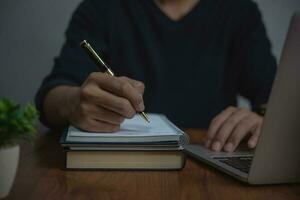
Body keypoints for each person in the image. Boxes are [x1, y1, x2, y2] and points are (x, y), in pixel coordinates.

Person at [35, 0, 276, 153]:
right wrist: (73, 104)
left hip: (215, 152)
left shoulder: (240, 11)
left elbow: (272, 95)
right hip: (120, 164)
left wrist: (265, 119)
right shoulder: (101, 8)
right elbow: (52, 93)